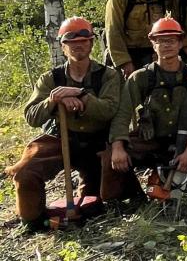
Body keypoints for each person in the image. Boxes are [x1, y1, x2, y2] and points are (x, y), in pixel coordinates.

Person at [6, 17, 124, 230]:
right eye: (71, 42)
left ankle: (96, 201)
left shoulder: (109, 76)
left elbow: (110, 110)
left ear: (91, 43)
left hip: (97, 141)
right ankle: (34, 220)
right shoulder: (50, 79)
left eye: (84, 40)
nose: (78, 45)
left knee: (106, 197)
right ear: (63, 46)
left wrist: (81, 95)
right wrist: (53, 100)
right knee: (25, 172)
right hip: (58, 139)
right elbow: (32, 116)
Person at [101, 17, 187, 202]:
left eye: (172, 40)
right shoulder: (141, 77)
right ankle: (129, 198)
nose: (167, 45)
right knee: (110, 156)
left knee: (180, 192)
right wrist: (118, 147)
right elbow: (123, 113)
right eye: (161, 40)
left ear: (180, 43)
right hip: (152, 140)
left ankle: (183, 185)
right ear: (153, 44)